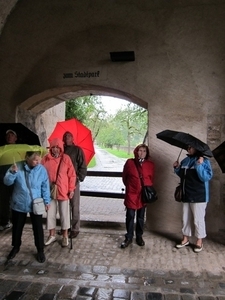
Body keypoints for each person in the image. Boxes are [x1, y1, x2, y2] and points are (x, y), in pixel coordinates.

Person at [3, 151, 50, 263]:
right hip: (20, 202)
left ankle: (40, 249)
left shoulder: (41, 170)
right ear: (27, 158)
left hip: (36, 202)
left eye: (38, 159)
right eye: (34, 159)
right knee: (17, 227)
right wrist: (12, 173)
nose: (37, 161)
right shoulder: (17, 166)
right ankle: (16, 246)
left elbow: (45, 186)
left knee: (38, 227)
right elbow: (7, 182)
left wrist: (47, 201)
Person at [173, 145, 213, 253]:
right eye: (188, 147)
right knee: (185, 218)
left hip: (199, 196)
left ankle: (199, 241)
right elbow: (182, 175)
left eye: (191, 147)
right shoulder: (185, 160)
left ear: (197, 148)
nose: (188, 149)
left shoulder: (204, 161)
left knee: (198, 220)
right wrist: (176, 168)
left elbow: (206, 177)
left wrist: (199, 165)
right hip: (186, 194)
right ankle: (185, 238)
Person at [41, 138, 76, 247]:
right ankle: (52, 234)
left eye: (57, 147)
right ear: (50, 148)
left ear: (60, 148)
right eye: (53, 147)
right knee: (50, 213)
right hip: (50, 189)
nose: (55, 149)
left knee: (64, 214)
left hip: (63, 190)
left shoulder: (66, 158)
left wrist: (71, 189)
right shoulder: (45, 159)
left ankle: (65, 236)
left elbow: (72, 175)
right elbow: (41, 173)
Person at [121, 144, 155, 248]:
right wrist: (132, 186)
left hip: (142, 195)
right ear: (136, 151)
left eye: (144, 151)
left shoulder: (150, 165)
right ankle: (129, 237)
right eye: (140, 150)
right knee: (130, 216)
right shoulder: (130, 163)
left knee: (140, 217)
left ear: (147, 153)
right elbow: (124, 177)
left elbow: (151, 179)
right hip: (132, 194)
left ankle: (139, 236)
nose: (142, 153)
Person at [60, 131, 87, 239]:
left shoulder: (77, 150)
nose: (67, 137)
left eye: (69, 136)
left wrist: (78, 177)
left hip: (73, 182)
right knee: (64, 206)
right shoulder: (61, 150)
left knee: (74, 206)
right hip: (62, 183)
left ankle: (75, 228)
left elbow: (83, 166)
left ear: (72, 138)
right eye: (65, 136)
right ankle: (65, 228)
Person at [0, 129, 18, 231]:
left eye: (12, 135)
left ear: (15, 138)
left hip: (15, 180)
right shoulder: (2, 149)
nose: (9, 137)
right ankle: (4, 221)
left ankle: (15, 222)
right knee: (4, 201)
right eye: (8, 135)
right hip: (3, 179)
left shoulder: (19, 149)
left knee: (15, 201)